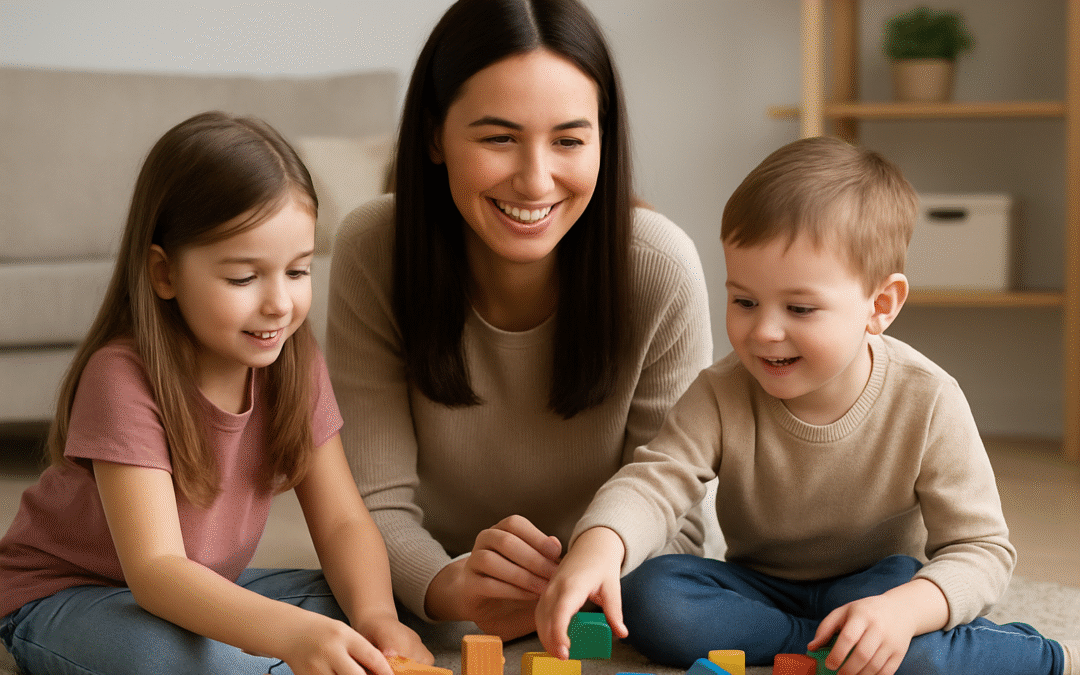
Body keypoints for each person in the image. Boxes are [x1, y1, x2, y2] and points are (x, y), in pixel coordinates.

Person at [535, 136, 1078, 675]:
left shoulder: (928, 399)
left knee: (923, 658)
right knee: (651, 594)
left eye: (799, 307)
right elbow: (654, 482)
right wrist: (600, 545)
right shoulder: (720, 391)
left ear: (880, 305)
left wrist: (903, 611)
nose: (765, 331)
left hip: (879, 584)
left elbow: (981, 548)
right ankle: (825, 648)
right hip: (761, 588)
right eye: (744, 301)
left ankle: (1039, 656)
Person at [326, 0, 713, 641]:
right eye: (498, 138)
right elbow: (369, 504)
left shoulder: (659, 266)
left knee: (670, 610)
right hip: (450, 574)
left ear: (604, 140)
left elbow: (681, 513)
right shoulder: (375, 249)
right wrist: (444, 585)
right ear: (433, 136)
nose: (535, 182)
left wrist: (597, 557)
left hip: (626, 578)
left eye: (568, 140)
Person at [0, 111, 432, 675]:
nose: (279, 304)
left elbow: (343, 523)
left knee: (379, 600)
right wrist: (292, 636)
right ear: (164, 273)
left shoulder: (293, 362)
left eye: (298, 271)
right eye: (244, 278)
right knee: (168, 658)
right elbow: (156, 570)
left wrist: (376, 616)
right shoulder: (122, 378)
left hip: (194, 588)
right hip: (69, 596)